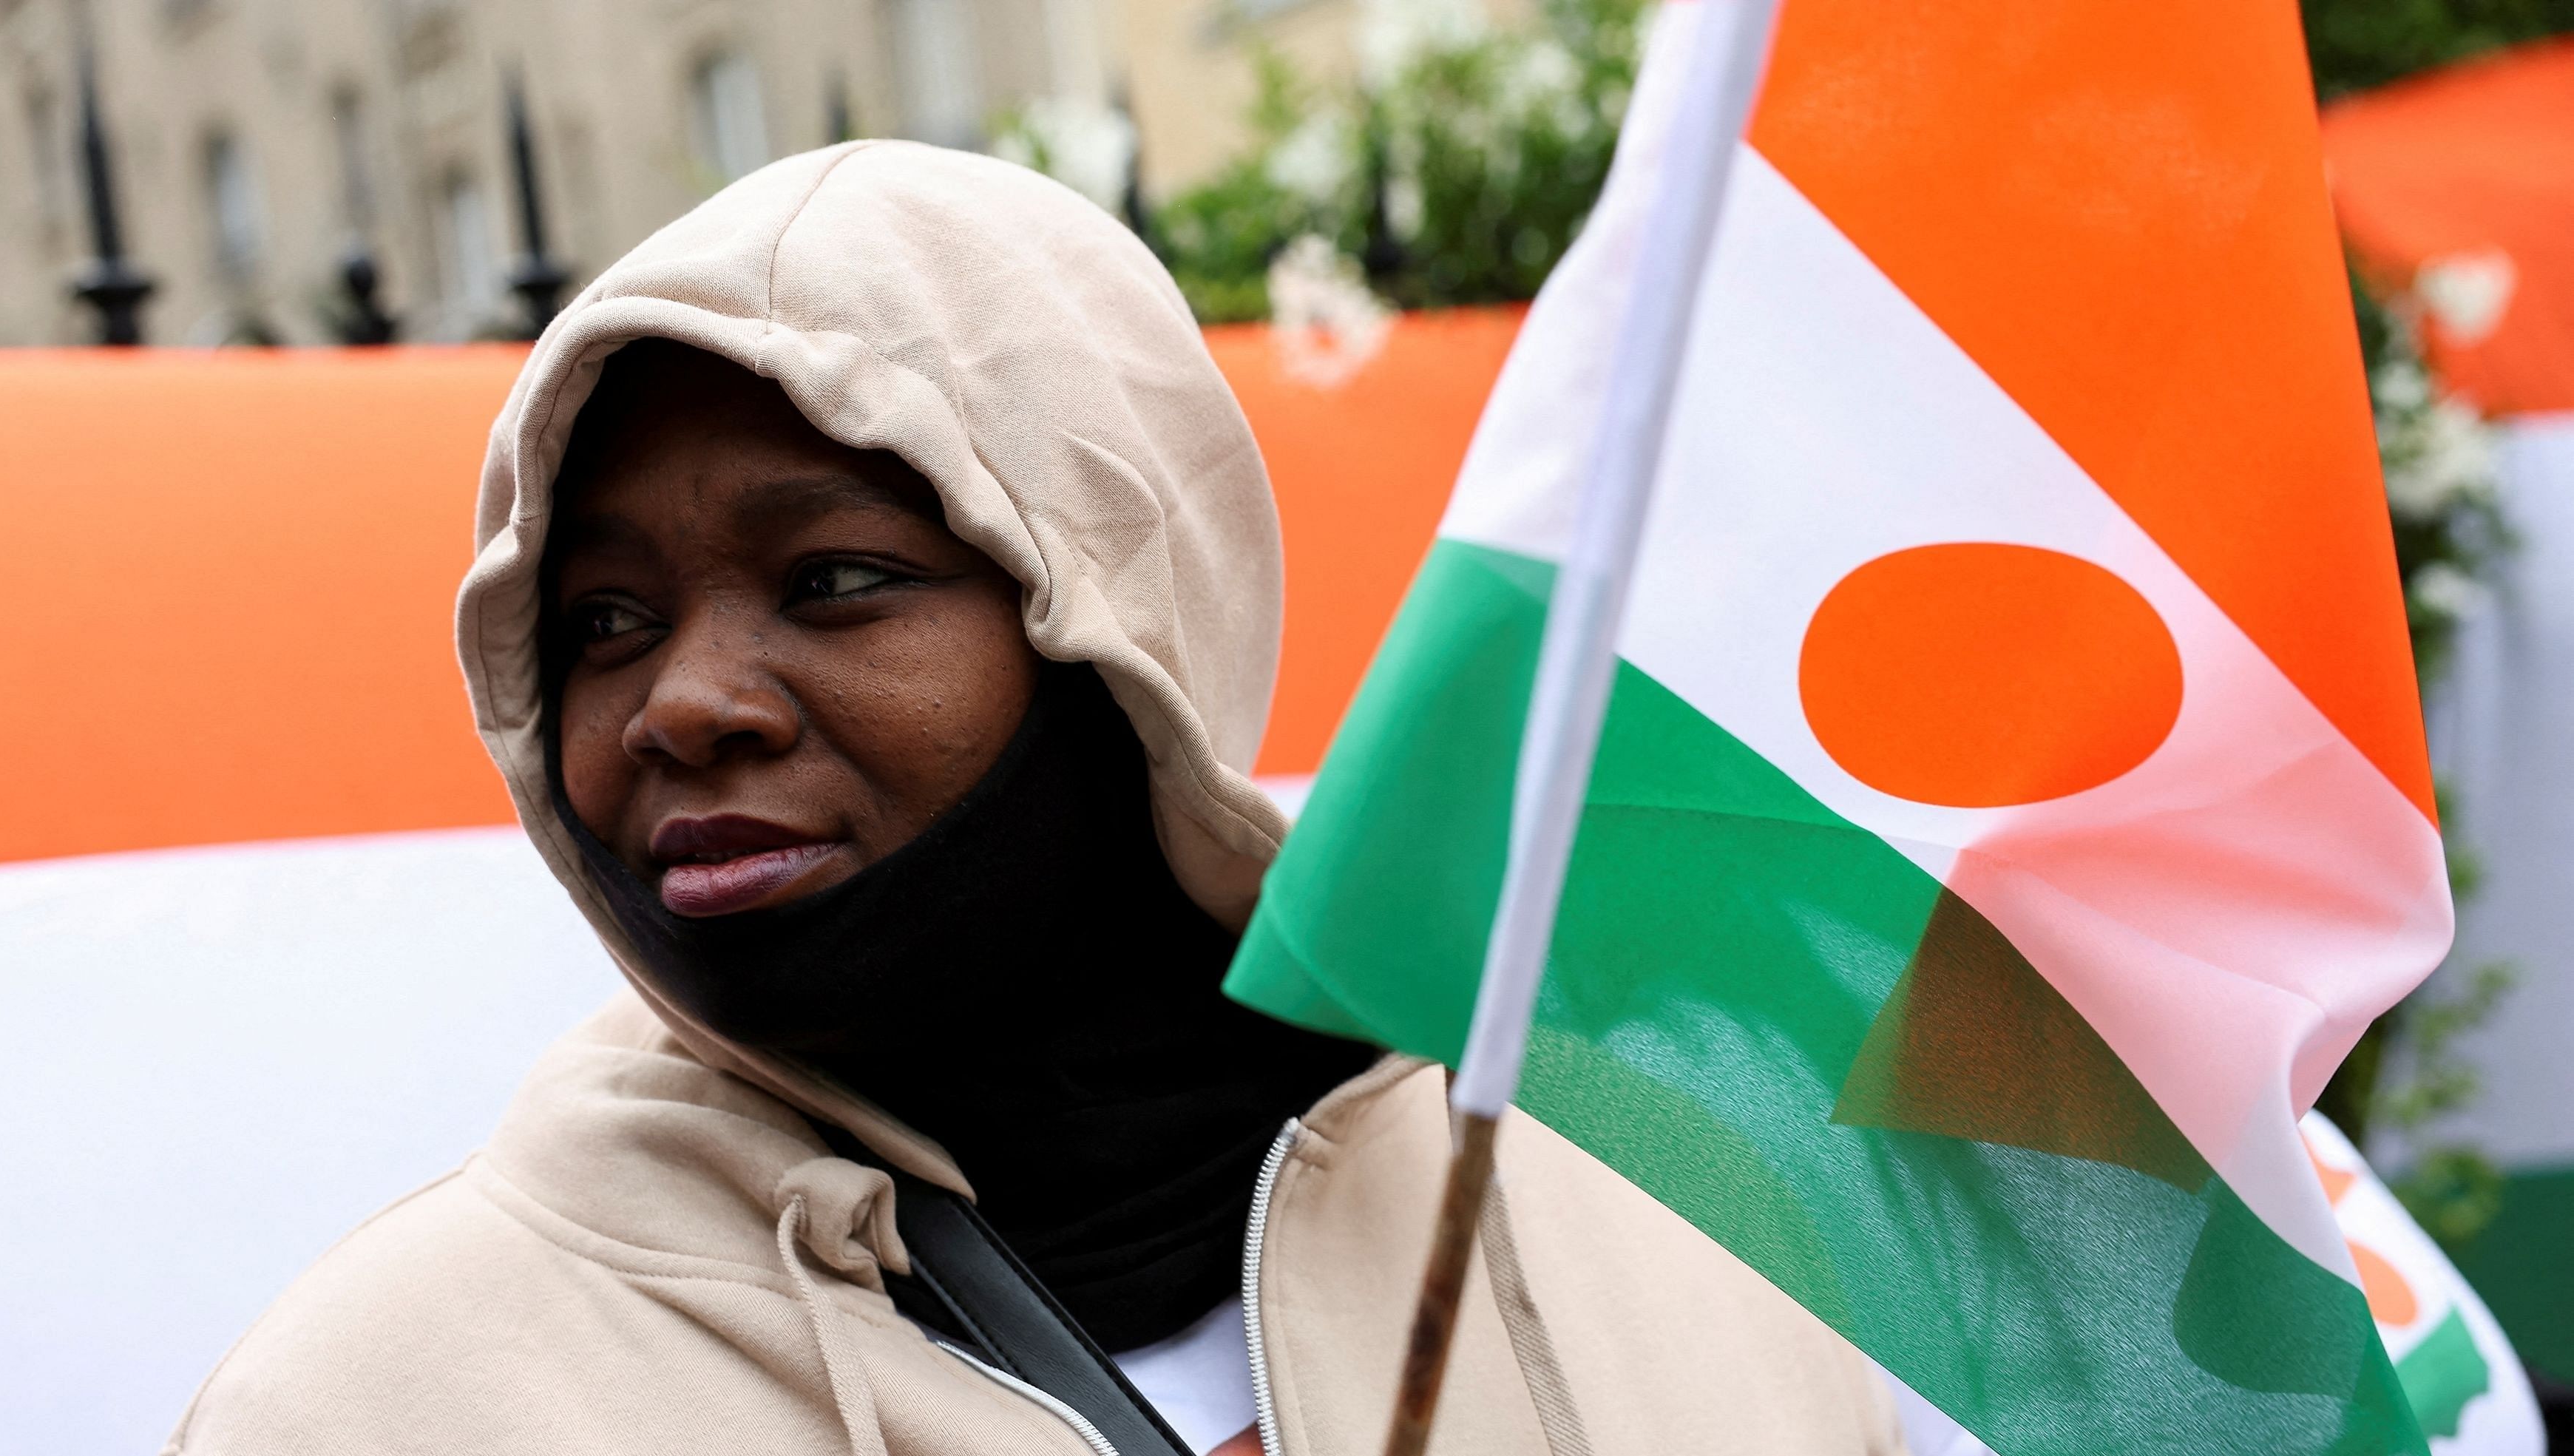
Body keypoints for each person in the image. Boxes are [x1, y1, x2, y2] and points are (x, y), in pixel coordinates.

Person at [165, 142, 1906, 1456]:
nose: (679, 705)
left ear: (1120, 634)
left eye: (835, 580)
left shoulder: (1655, 1211)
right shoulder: (381, 1401)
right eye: (602, 621)